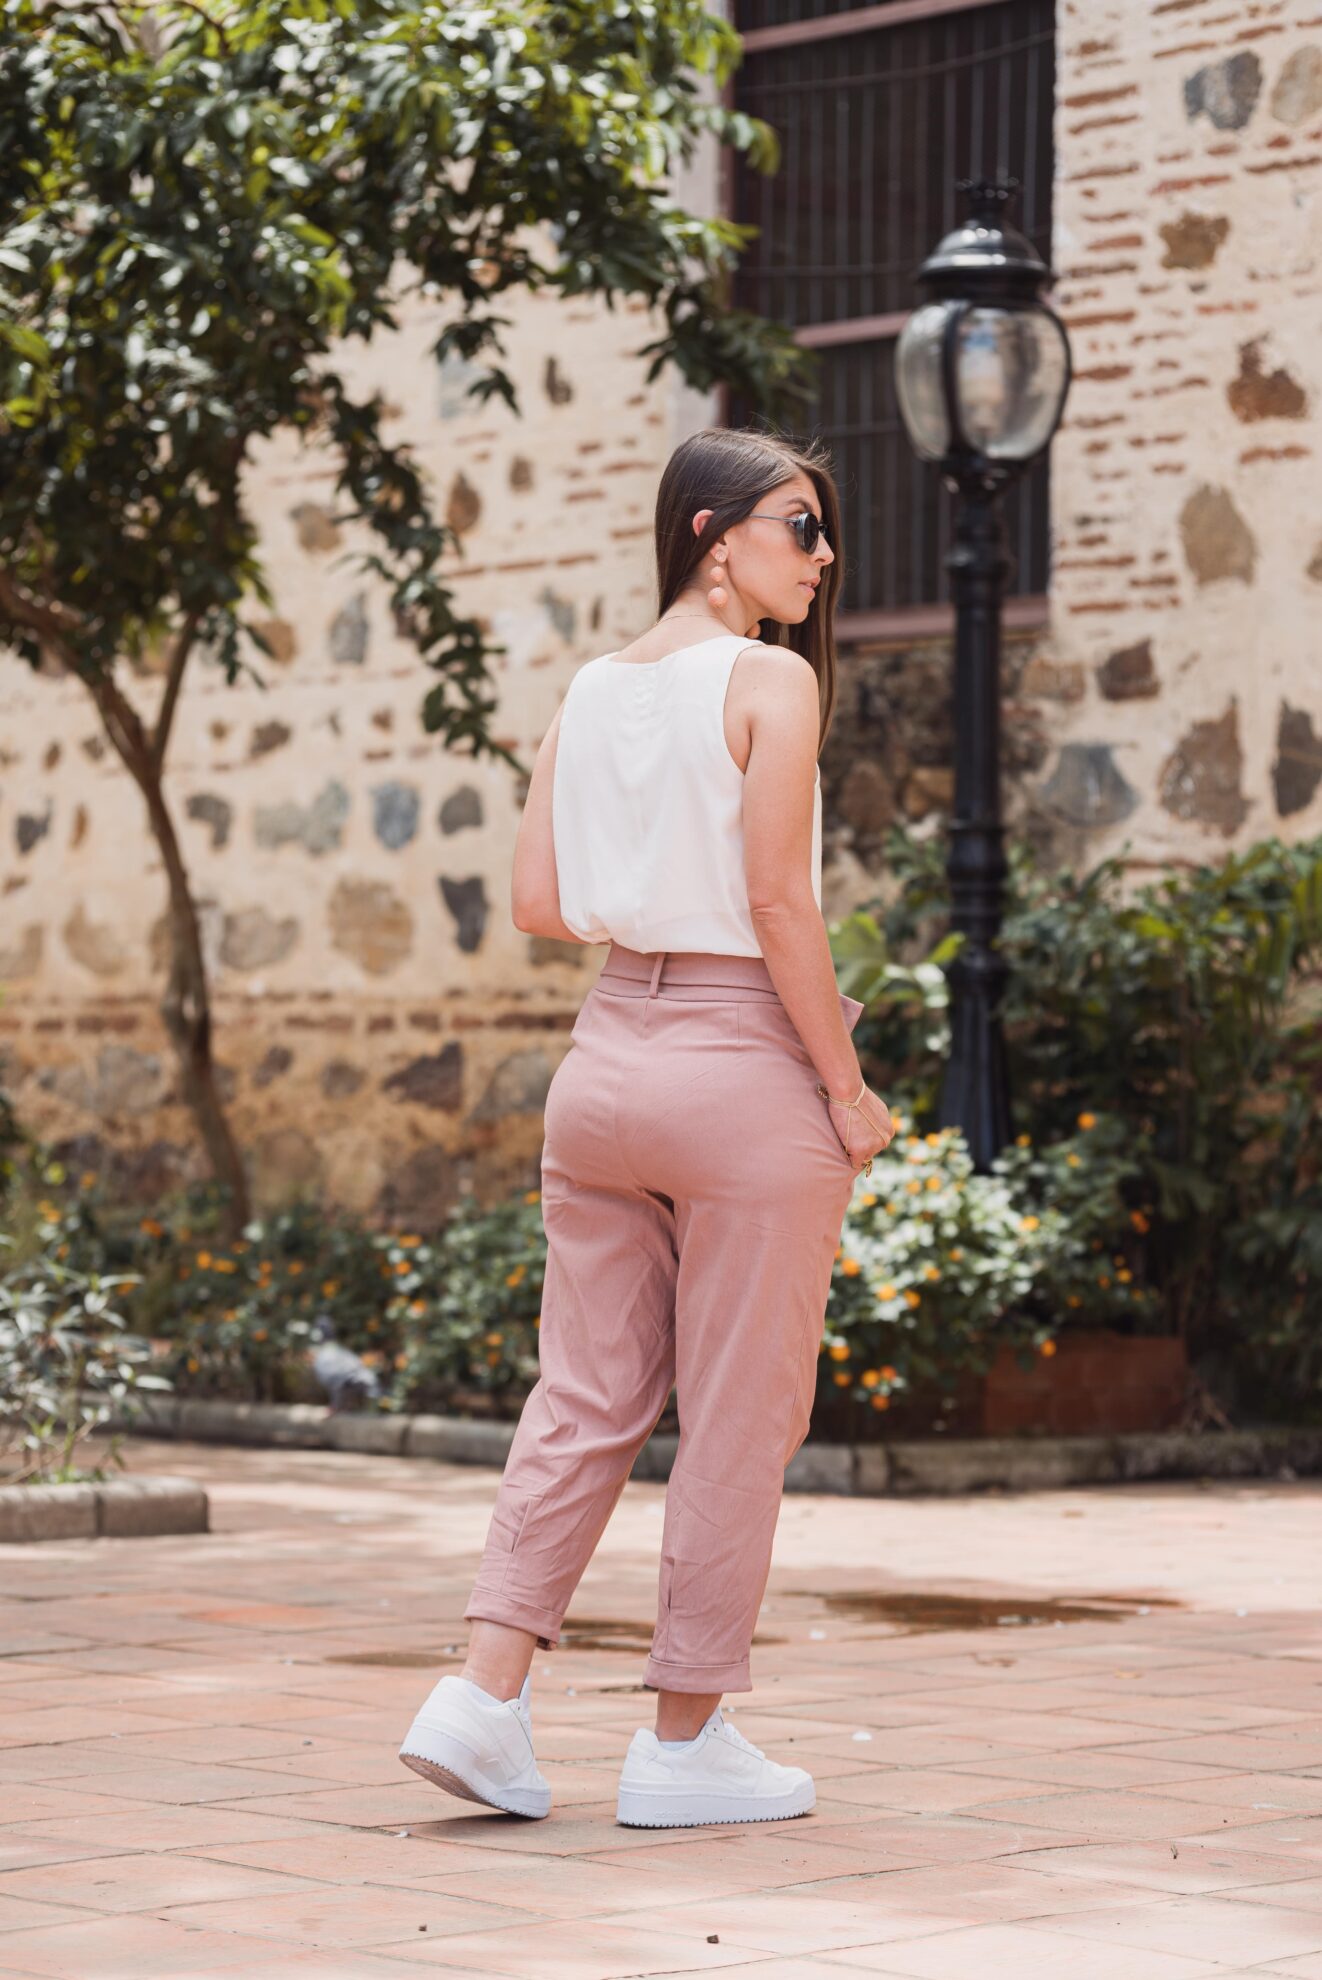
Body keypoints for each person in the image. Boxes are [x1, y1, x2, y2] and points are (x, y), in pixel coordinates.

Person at [398, 426, 896, 1829]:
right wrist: (843, 1088)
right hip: (742, 1065)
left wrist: (647, 896)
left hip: (604, 1060)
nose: (823, 556)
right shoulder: (770, 681)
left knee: (584, 1393)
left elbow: (538, 902)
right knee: (739, 1409)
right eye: (800, 527)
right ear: (709, 535)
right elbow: (781, 903)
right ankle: (683, 1742)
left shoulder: (590, 685)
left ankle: (482, 1696)